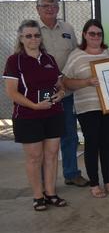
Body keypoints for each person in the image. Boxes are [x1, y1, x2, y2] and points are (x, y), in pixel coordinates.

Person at [3, 20, 68, 211]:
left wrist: (62, 93)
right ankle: (38, 196)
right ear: (21, 38)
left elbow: (59, 84)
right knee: (34, 157)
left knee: (52, 154)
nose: (33, 39)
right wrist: (34, 106)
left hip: (53, 113)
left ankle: (51, 193)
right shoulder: (14, 61)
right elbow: (12, 92)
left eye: (37, 35)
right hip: (27, 116)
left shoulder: (49, 59)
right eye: (28, 36)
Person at [62, 19, 109, 198]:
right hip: (87, 107)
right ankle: (95, 183)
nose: (96, 37)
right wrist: (87, 82)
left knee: (106, 144)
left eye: (99, 34)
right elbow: (66, 82)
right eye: (92, 34)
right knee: (92, 144)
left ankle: (108, 180)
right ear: (84, 35)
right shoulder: (76, 55)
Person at [36, 0, 89, 187]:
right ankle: (42, 181)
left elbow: (76, 54)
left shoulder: (67, 28)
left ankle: (71, 173)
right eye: (45, 6)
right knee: (43, 138)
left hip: (65, 91)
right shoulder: (32, 30)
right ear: (38, 9)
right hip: (41, 93)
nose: (49, 9)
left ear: (58, 8)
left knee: (69, 135)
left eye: (53, 6)